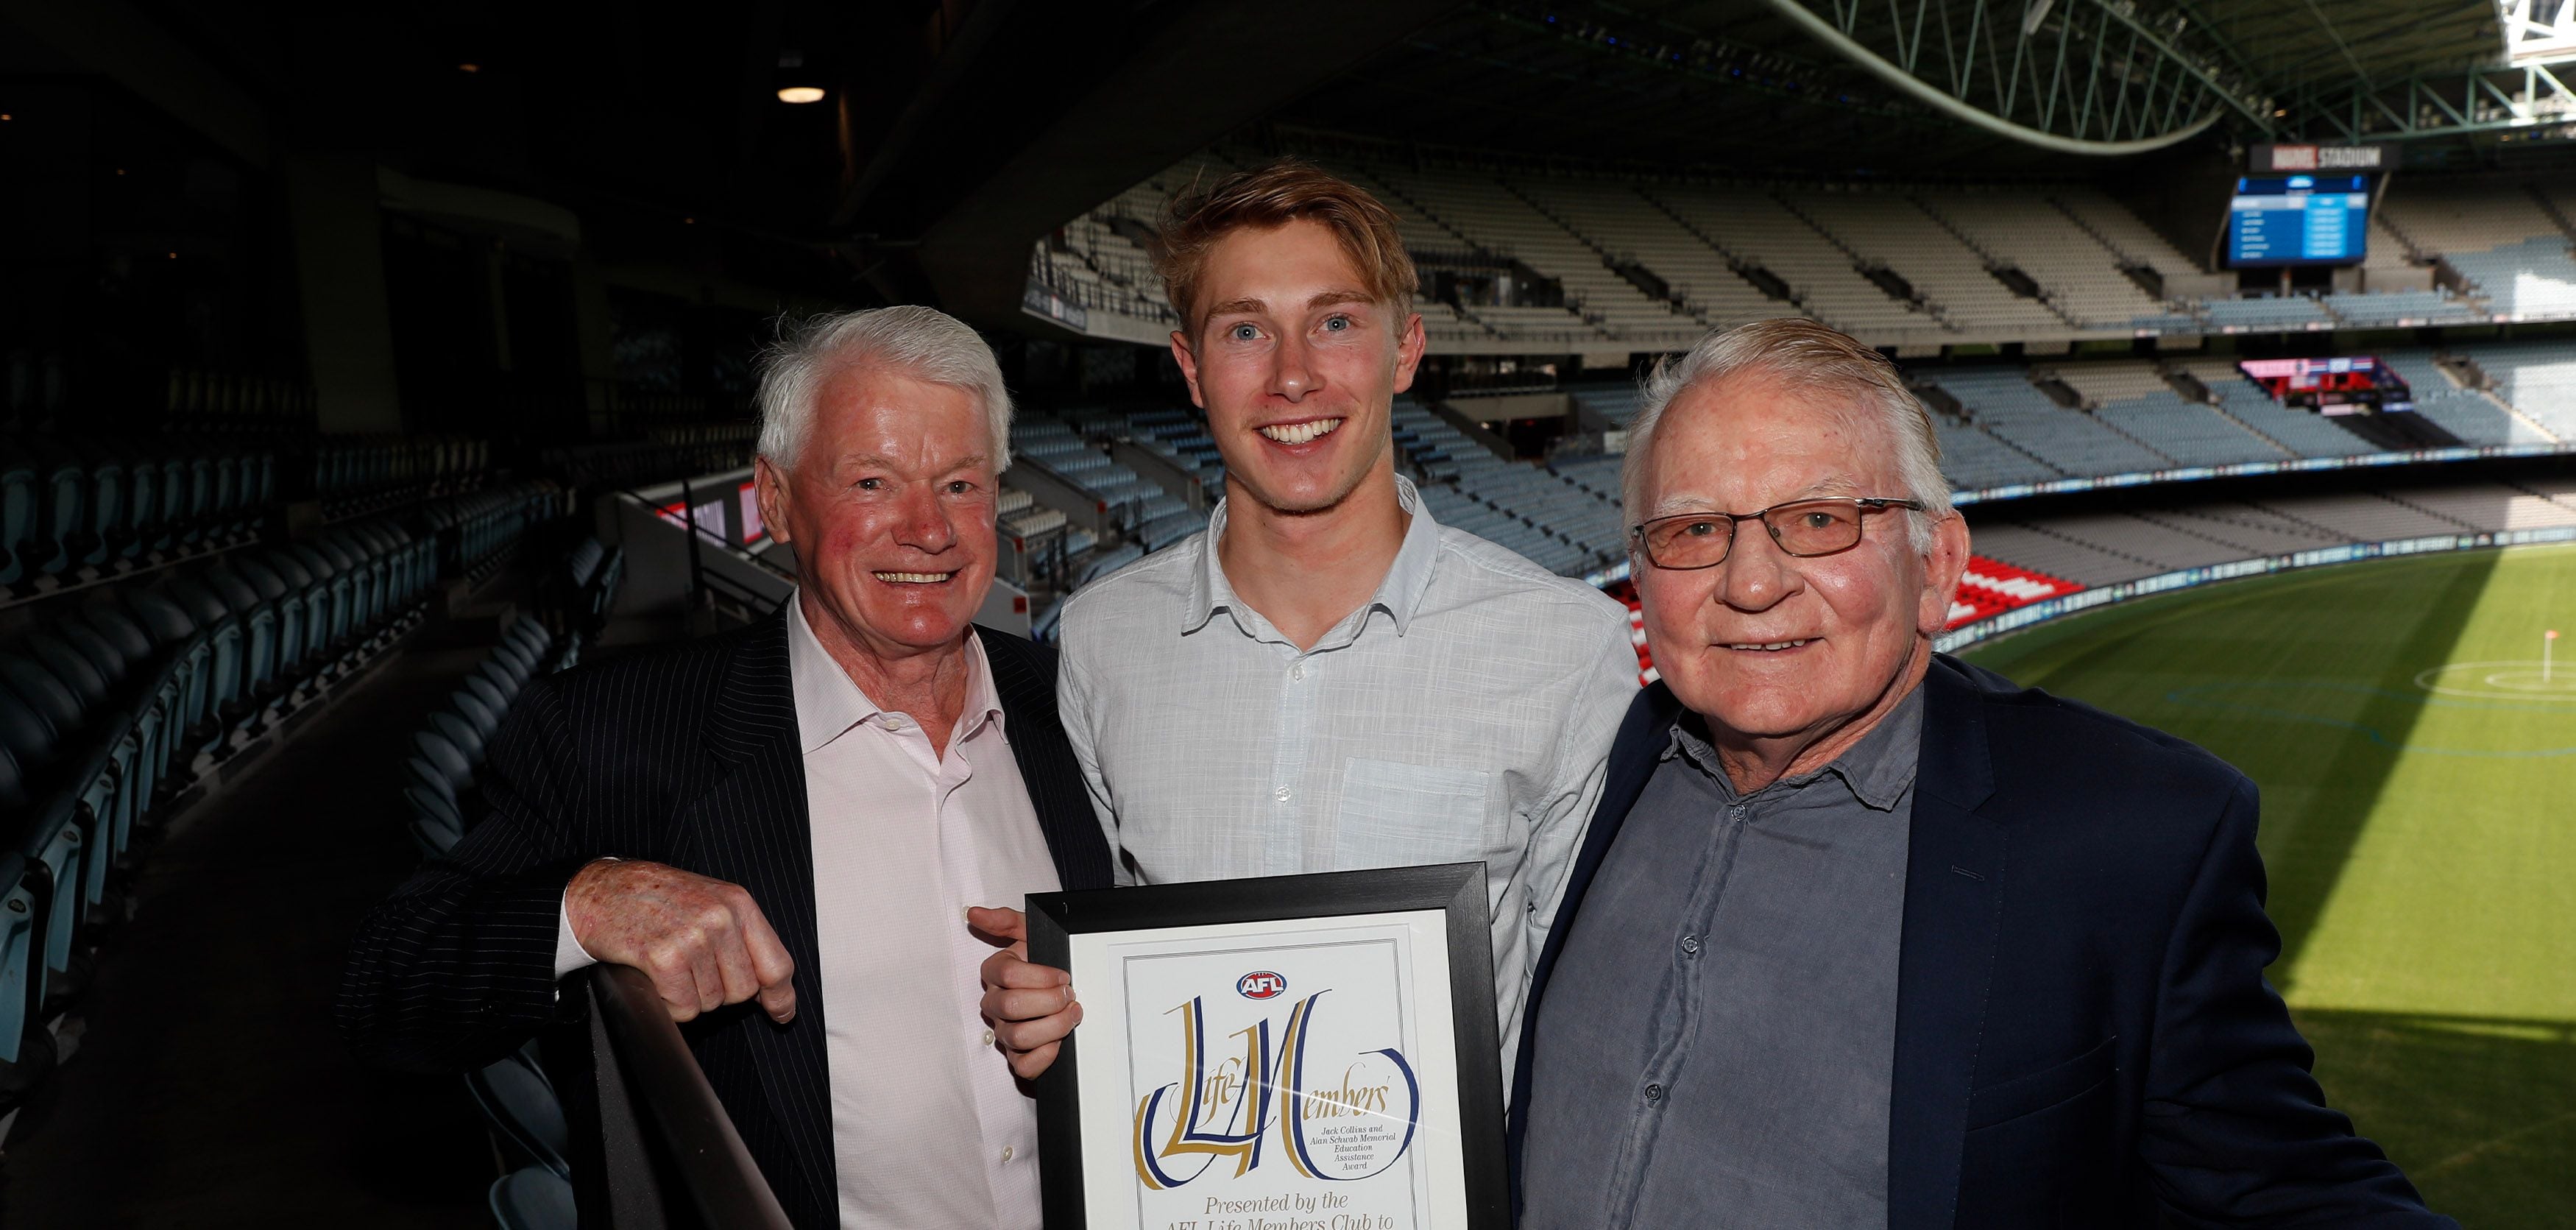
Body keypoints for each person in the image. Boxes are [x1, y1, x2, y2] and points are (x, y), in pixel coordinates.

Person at [1508, 317, 2452, 1229]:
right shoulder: (1600, 756)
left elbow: (2283, 1190)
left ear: (1938, 565)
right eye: (1691, 531)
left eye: (1818, 519)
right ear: (1641, 572)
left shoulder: (2134, 835)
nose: (1751, 584)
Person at [339, 305, 1112, 1230]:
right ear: (775, 498)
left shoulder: (1079, 704)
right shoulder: (612, 734)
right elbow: (389, 984)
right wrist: (588, 901)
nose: (927, 529)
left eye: (959, 483)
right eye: (873, 481)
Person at [973, 160, 1637, 1085]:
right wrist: (1049, 993)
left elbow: (1589, 1002)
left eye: (1334, 322)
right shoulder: (1101, 640)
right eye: (1245, 330)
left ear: (1404, 350)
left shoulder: (1566, 647)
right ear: (1190, 368)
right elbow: (1113, 959)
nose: (1292, 376)